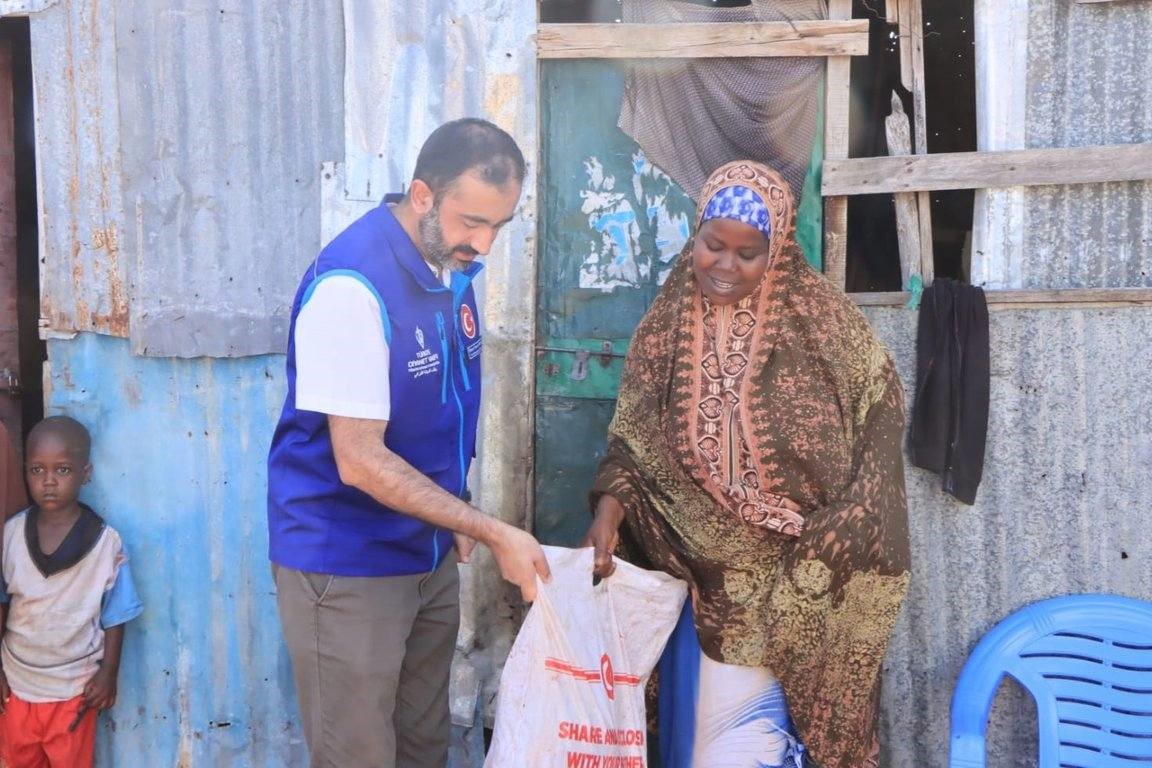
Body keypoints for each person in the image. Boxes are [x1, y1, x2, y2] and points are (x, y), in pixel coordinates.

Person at [582, 161, 910, 768]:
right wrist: (609, 512)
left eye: (748, 253)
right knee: (723, 747)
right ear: (695, 234)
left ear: (776, 250)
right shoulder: (665, 327)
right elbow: (632, 439)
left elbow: (881, 417)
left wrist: (843, 528)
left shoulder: (825, 323)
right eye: (714, 245)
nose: (726, 267)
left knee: (806, 744)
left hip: (812, 568)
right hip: (707, 577)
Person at [267, 118, 551, 768]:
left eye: (498, 228)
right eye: (471, 221)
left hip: (423, 550)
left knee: (423, 748)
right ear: (422, 194)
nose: (482, 244)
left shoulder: (453, 269)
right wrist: (488, 527)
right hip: (347, 565)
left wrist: (455, 505)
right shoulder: (352, 287)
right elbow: (359, 460)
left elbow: (446, 403)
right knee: (359, 756)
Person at [0, 416, 143, 768]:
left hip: (73, 691)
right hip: (17, 685)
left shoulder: (105, 543)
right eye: (37, 470)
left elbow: (116, 615)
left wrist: (108, 674)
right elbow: (2, 603)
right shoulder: (11, 535)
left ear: (86, 472)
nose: (49, 482)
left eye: (62, 471)